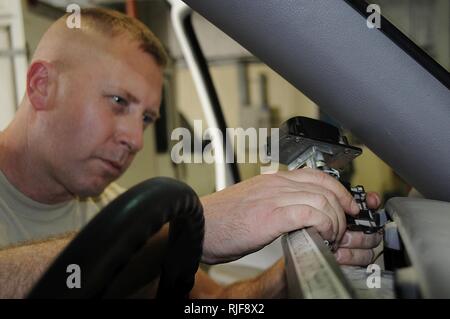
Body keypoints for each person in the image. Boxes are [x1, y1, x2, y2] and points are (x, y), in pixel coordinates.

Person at [0, 8, 382, 298]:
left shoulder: (112, 209)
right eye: (118, 101)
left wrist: (291, 275)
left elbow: (214, 303)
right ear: (42, 86)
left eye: (147, 118)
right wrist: (190, 228)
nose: (135, 139)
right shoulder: (133, 224)